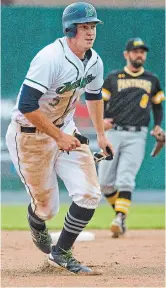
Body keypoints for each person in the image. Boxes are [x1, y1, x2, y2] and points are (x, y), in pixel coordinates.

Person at [6, 2, 114, 274]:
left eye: (92, 26)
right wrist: (58, 136)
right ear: (69, 28)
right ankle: (36, 220)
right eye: (84, 26)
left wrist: (100, 135)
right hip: (30, 137)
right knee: (47, 209)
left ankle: (61, 252)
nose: (90, 32)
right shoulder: (50, 58)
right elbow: (26, 105)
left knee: (90, 194)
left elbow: (94, 95)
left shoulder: (95, 60)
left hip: (64, 129)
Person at [98, 37, 164, 238]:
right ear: (126, 54)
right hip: (113, 133)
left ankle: (119, 217)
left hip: (138, 135)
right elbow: (97, 102)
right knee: (104, 183)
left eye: (142, 52)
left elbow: (158, 105)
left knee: (125, 178)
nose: (139, 55)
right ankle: (121, 216)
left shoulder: (152, 79)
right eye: (135, 51)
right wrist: (101, 121)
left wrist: (158, 126)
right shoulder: (113, 77)